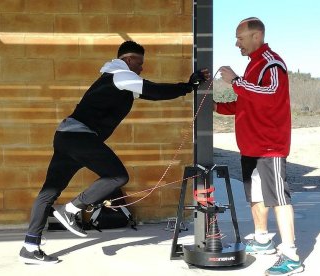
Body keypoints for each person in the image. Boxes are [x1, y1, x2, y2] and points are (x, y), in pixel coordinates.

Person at [19, 40, 210, 264]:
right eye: (139, 63)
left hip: (66, 137)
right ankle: (71, 210)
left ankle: (30, 247)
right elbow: (154, 90)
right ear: (128, 60)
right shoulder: (120, 75)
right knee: (117, 176)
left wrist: (187, 86)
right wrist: (188, 86)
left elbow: (151, 93)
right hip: (80, 136)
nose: (141, 68)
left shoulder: (118, 81)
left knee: (49, 191)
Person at [214, 18, 304, 275]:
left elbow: (271, 94)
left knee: (278, 198)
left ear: (256, 37)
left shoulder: (271, 63)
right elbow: (247, 102)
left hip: (269, 147)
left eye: (240, 38)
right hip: (250, 147)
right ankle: (263, 239)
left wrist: (235, 82)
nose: (236, 44)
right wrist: (217, 106)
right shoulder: (253, 66)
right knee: (255, 196)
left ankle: (291, 256)